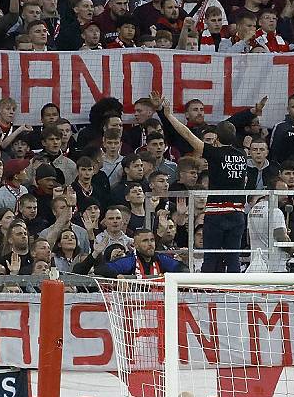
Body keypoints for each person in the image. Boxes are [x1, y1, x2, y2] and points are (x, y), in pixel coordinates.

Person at [154, 94, 254, 273]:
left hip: (216, 213)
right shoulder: (242, 155)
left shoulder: (214, 153)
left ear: (216, 139)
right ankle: (234, 292)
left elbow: (186, 134)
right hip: (238, 213)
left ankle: (207, 294)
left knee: (210, 256)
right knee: (232, 257)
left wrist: (168, 115)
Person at [97, 228, 182, 278]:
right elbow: (101, 269)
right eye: (145, 241)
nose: (150, 244)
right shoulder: (130, 261)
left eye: (152, 240)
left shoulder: (161, 259)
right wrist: (117, 276)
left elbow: (182, 268)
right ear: (135, 245)